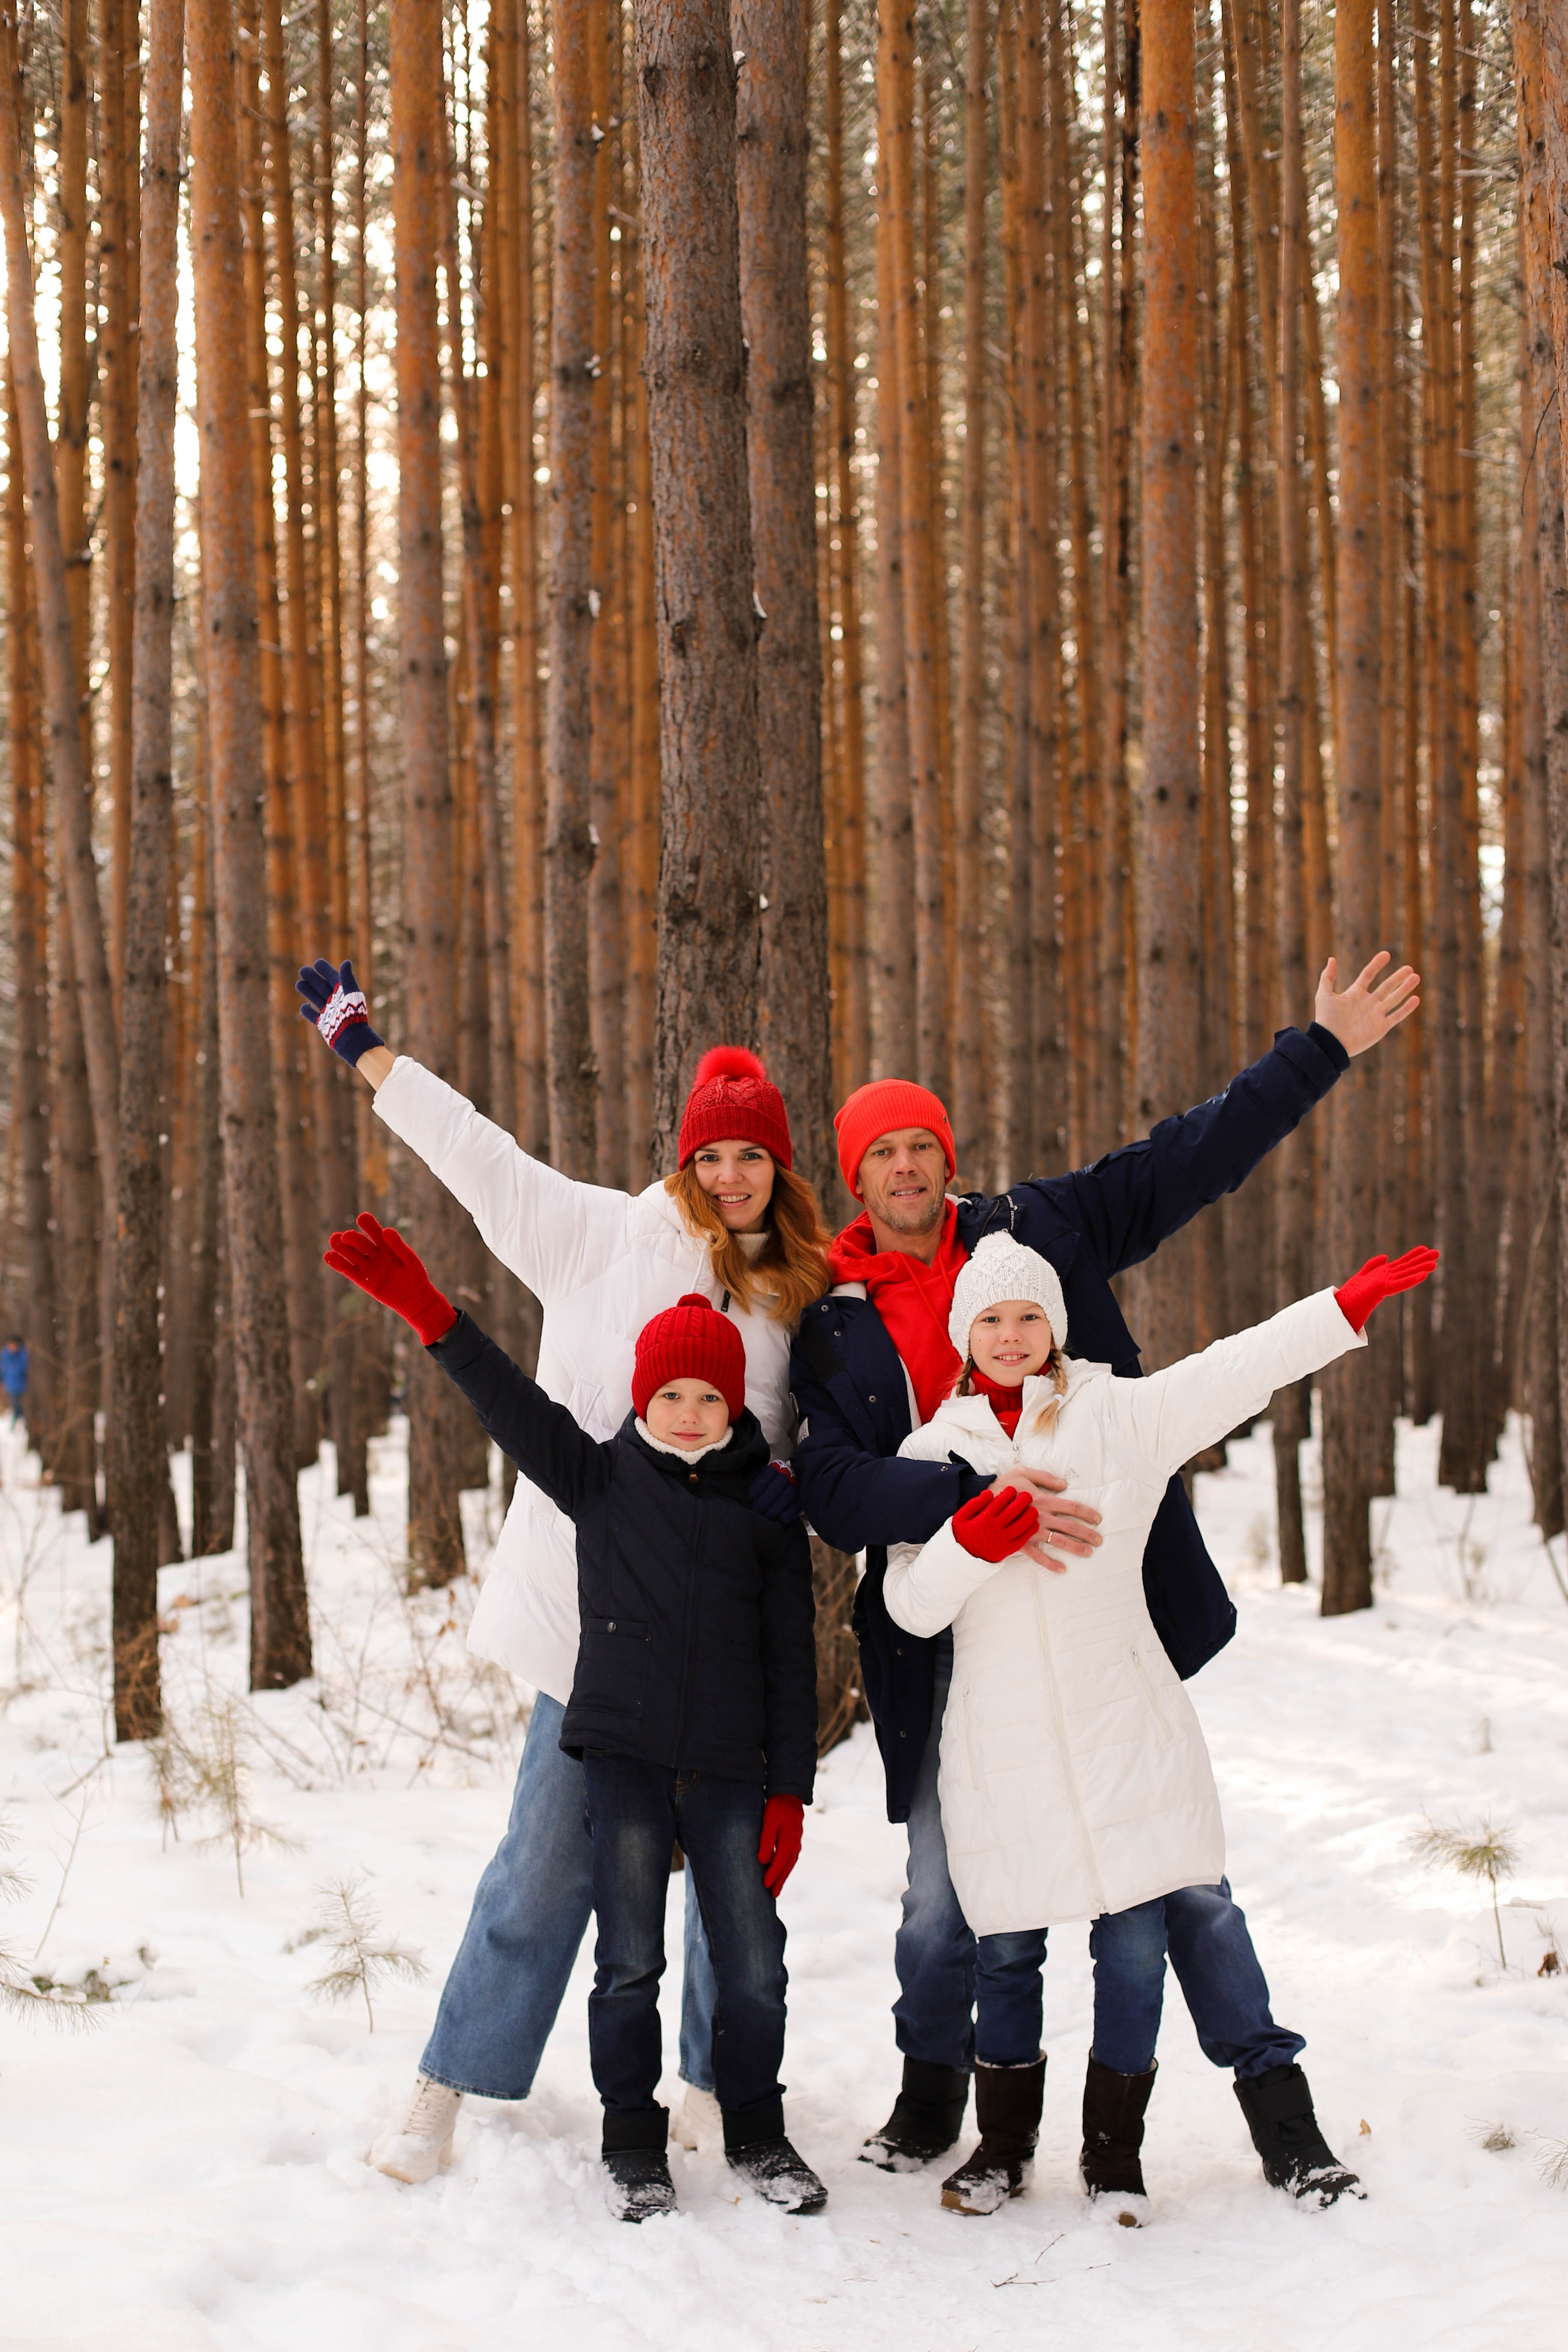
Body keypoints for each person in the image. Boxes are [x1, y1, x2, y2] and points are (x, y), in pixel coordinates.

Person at [789, 952, 1421, 2176]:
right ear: (854, 1178)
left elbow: (1188, 1160)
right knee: (945, 1901)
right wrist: (975, 1500)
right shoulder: (829, 1317)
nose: (906, 1169)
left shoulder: (1040, 1234)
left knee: (1174, 1884)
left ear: (948, 1160)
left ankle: (1273, 2120)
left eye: (921, 1144)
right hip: (949, 1636)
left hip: (1101, 1613)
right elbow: (827, 1485)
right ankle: (936, 2101)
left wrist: (1319, 1049)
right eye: (880, 1155)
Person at [297, 959, 832, 2180]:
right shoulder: (600, 1234)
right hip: (587, 1637)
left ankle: (704, 2081)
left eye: (752, 1158)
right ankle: (449, 2076)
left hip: (728, 1645)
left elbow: (818, 1446)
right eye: (712, 1156)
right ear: (685, 1160)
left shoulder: (800, 1298)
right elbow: (477, 1155)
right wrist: (366, 1052)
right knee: (541, 1867)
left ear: (779, 1169)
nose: (731, 1177)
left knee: (729, 1887)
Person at [883, 1231, 1436, 2215]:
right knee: (1006, 1952)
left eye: (1029, 1316)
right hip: (998, 1749)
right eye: (990, 1320)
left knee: (1137, 1948)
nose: (1011, 1336)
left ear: (1055, 1325)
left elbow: (1233, 1372)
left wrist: (1338, 1312)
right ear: (964, 1338)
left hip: (1127, 1731)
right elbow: (911, 1605)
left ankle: (1112, 2154)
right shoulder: (934, 1456)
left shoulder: (1118, 1417)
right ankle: (1002, 2149)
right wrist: (973, 1537)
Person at [0, 1335, 27, 1430]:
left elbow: (24, 1370)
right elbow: (2, 1370)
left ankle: (18, 1421)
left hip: (20, 1385)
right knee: (14, 1403)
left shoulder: (22, 1355)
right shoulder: (5, 1355)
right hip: (9, 1384)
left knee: (17, 1404)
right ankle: (18, 1420)